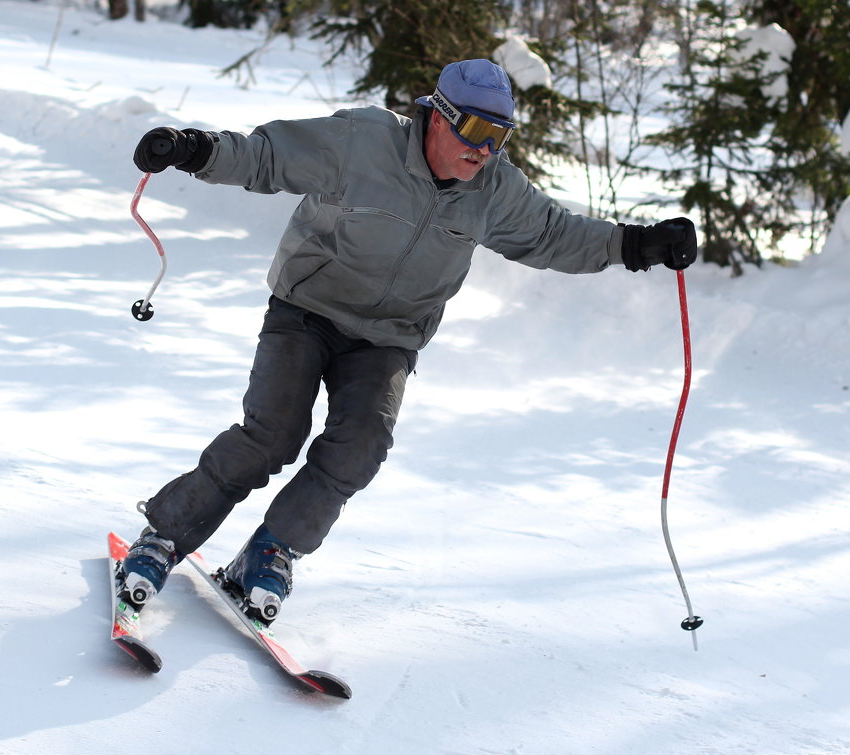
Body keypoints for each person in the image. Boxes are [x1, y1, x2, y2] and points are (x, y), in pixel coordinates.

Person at [117, 59, 698, 623]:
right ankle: (164, 536)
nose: (484, 148)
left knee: (360, 446)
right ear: (437, 116)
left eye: (500, 136)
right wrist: (196, 149)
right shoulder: (363, 141)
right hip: (307, 309)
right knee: (272, 435)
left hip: (389, 338)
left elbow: (555, 235)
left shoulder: (495, 190)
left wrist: (638, 245)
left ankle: (271, 551)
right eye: (474, 129)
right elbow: (269, 156)